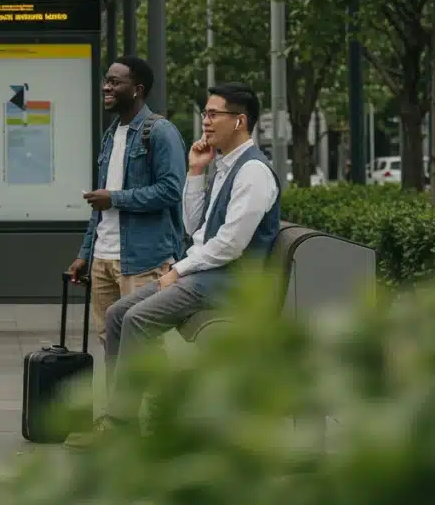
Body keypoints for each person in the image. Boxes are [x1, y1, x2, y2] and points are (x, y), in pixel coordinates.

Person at [64, 82, 281, 448]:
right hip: (205, 276)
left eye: (214, 114)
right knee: (118, 313)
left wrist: (179, 270)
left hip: (229, 284)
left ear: (240, 121)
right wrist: (196, 172)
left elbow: (230, 245)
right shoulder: (225, 167)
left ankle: (128, 421)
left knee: (137, 319)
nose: (206, 122)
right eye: (205, 114)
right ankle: (126, 413)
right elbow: (195, 226)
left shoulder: (253, 172)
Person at [67, 56, 187, 351]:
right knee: (110, 343)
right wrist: (86, 253)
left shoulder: (160, 132)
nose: (106, 87)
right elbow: (101, 205)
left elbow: (171, 190)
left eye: (115, 82)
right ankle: (119, 400)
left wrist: (114, 198)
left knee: (144, 346)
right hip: (103, 260)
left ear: (137, 89)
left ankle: (160, 399)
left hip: (142, 261)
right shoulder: (111, 135)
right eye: (106, 81)